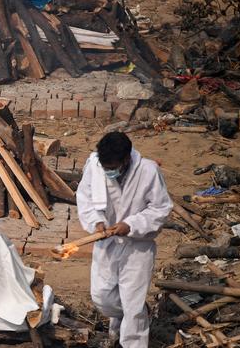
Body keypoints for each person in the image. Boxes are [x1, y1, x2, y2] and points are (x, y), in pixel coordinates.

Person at [76, 132, 173, 347]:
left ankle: (132, 337)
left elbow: (161, 208)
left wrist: (132, 225)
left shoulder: (148, 170)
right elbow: (85, 199)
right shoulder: (94, 166)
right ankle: (133, 316)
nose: (109, 171)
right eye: (106, 167)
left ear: (126, 159)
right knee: (103, 297)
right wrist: (96, 222)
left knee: (133, 304)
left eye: (113, 167)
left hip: (137, 247)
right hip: (107, 243)